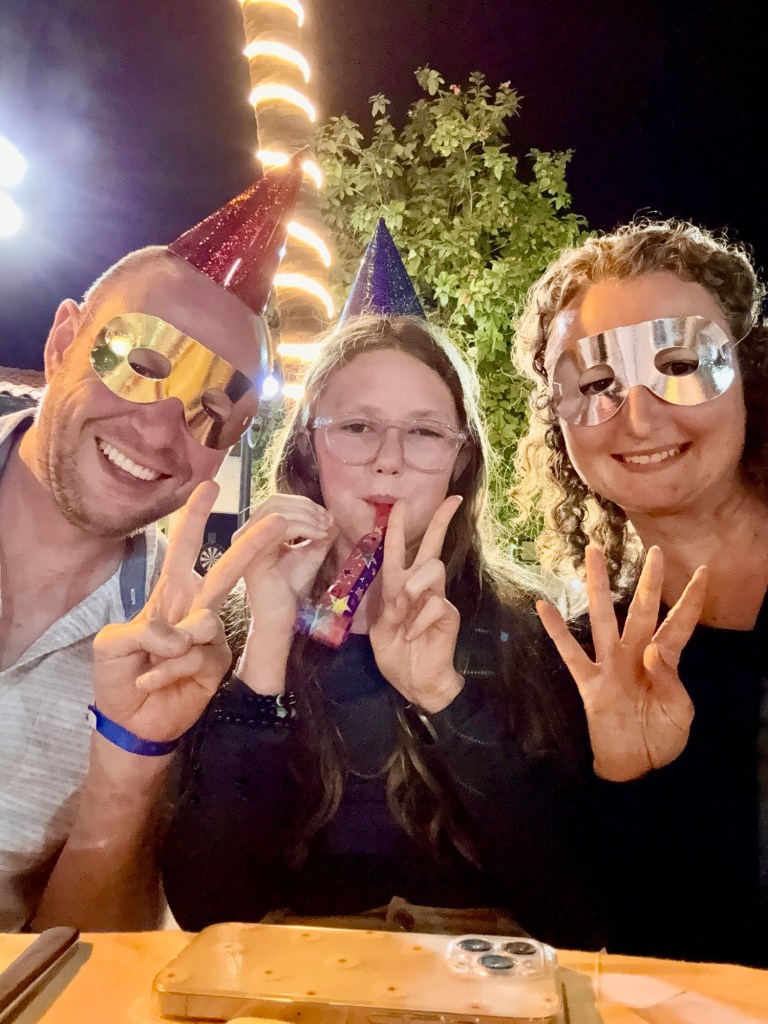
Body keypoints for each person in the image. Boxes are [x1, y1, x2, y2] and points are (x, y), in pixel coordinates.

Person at [0, 156, 303, 931]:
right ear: (65, 339)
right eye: (139, 366)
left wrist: (129, 764)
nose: (161, 429)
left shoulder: (174, 647)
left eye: (211, 412)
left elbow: (88, 972)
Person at [512, 218, 768, 966]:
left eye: (681, 363)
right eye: (594, 384)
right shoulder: (584, 656)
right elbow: (620, 945)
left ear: (748, 374)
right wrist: (627, 777)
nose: (640, 415)